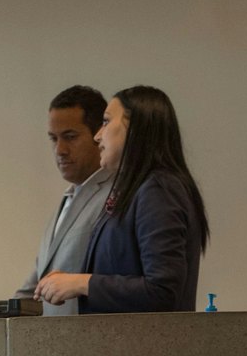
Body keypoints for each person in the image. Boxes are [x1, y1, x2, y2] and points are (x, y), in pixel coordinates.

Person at [35, 85, 210, 313]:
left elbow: (162, 290)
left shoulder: (159, 189)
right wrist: (72, 281)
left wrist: (81, 283)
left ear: (135, 128)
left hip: (146, 337)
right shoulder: (137, 189)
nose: (98, 135)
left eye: (106, 121)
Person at [15, 85, 114, 316]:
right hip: (52, 336)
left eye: (70, 137)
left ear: (99, 135)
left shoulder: (117, 195)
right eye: (53, 138)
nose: (60, 150)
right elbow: (35, 288)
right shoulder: (67, 200)